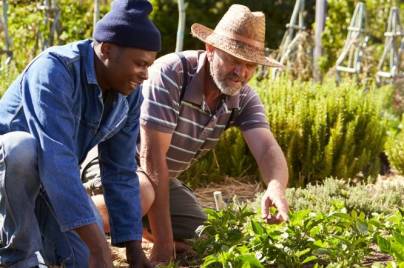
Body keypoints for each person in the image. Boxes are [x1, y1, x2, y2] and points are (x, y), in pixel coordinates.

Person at [87, 3, 289, 265]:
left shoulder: (242, 97)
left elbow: (266, 149)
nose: (241, 73)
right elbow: (152, 157)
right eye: (234, 60)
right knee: (142, 193)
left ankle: (135, 228)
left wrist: (275, 186)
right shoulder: (172, 73)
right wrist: (162, 244)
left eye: (250, 65)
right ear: (211, 49)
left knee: (204, 234)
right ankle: (62, 220)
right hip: (113, 165)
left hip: (159, 179)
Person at [0, 0, 160, 267]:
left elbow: (120, 171)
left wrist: (133, 250)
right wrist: (100, 248)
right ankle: (17, 258)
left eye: (149, 65)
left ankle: (38, 248)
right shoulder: (55, 70)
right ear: (107, 49)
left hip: (49, 184)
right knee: (21, 148)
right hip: (9, 180)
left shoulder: (128, 94)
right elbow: (56, 160)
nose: (145, 75)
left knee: (84, 258)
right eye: (139, 64)